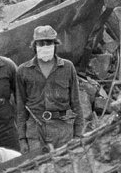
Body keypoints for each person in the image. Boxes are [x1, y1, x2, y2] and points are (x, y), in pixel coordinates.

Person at [16, 25, 84, 153]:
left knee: (64, 163)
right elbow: (20, 108)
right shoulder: (23, 71)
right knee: (37, 164)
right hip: (35, 131)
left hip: (62, 130)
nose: (45, 47)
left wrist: (78, 135)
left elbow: (76, 103)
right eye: (41, 44)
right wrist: (22, 139)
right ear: (35, 46)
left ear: (55, 45)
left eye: (49, 43)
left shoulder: (67, 67)